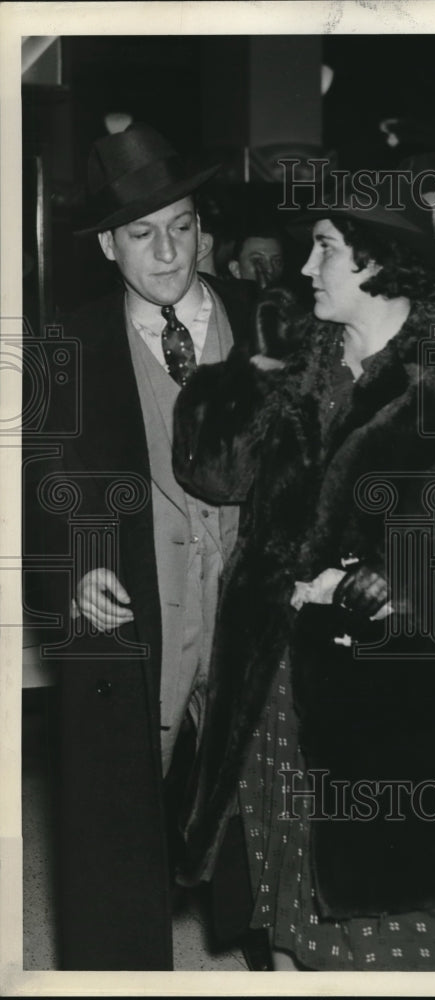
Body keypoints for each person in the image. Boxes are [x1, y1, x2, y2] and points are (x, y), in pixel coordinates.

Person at [172, 183, 435, 971]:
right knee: (283, 883)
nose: (305, 265)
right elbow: (211, 475)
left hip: (399, 685)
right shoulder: (299, 363)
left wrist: (391, 581)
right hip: (277, 663)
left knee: (395, 896)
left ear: (379, 261)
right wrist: (251, 366)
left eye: (326, 248)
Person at [34, 122, 268, 970]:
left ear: (203, 228)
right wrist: (78, 560)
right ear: (107, 244)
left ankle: (271, 955)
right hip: (135, 598)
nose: (167, 251)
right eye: (141, 233)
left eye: (181, 226)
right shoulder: (68, 342)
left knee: (264, 795)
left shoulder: (266, 320)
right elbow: (41, 473)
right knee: (116, 808)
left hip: (252, 598)